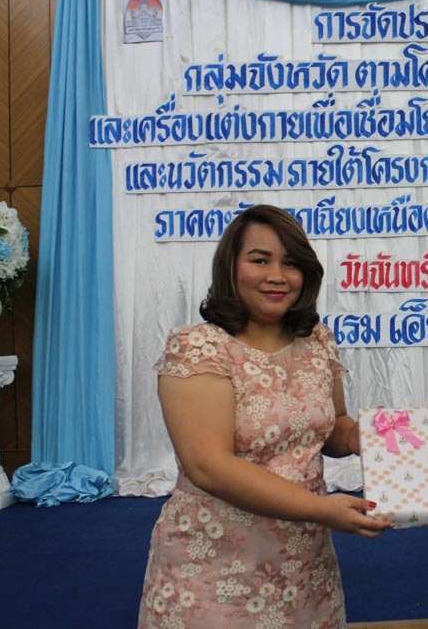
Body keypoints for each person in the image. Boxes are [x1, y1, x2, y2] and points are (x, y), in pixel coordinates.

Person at [138, 204, 391, 629]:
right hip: (215, 567)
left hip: (304, 567)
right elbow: (208, 466)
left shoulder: (317, 341)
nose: (278, 275)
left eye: (291, 263)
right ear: (230, 267)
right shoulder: (199, 348)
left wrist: (369, 437)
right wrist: (321, 509)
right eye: (260, 260)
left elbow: (332, 427)